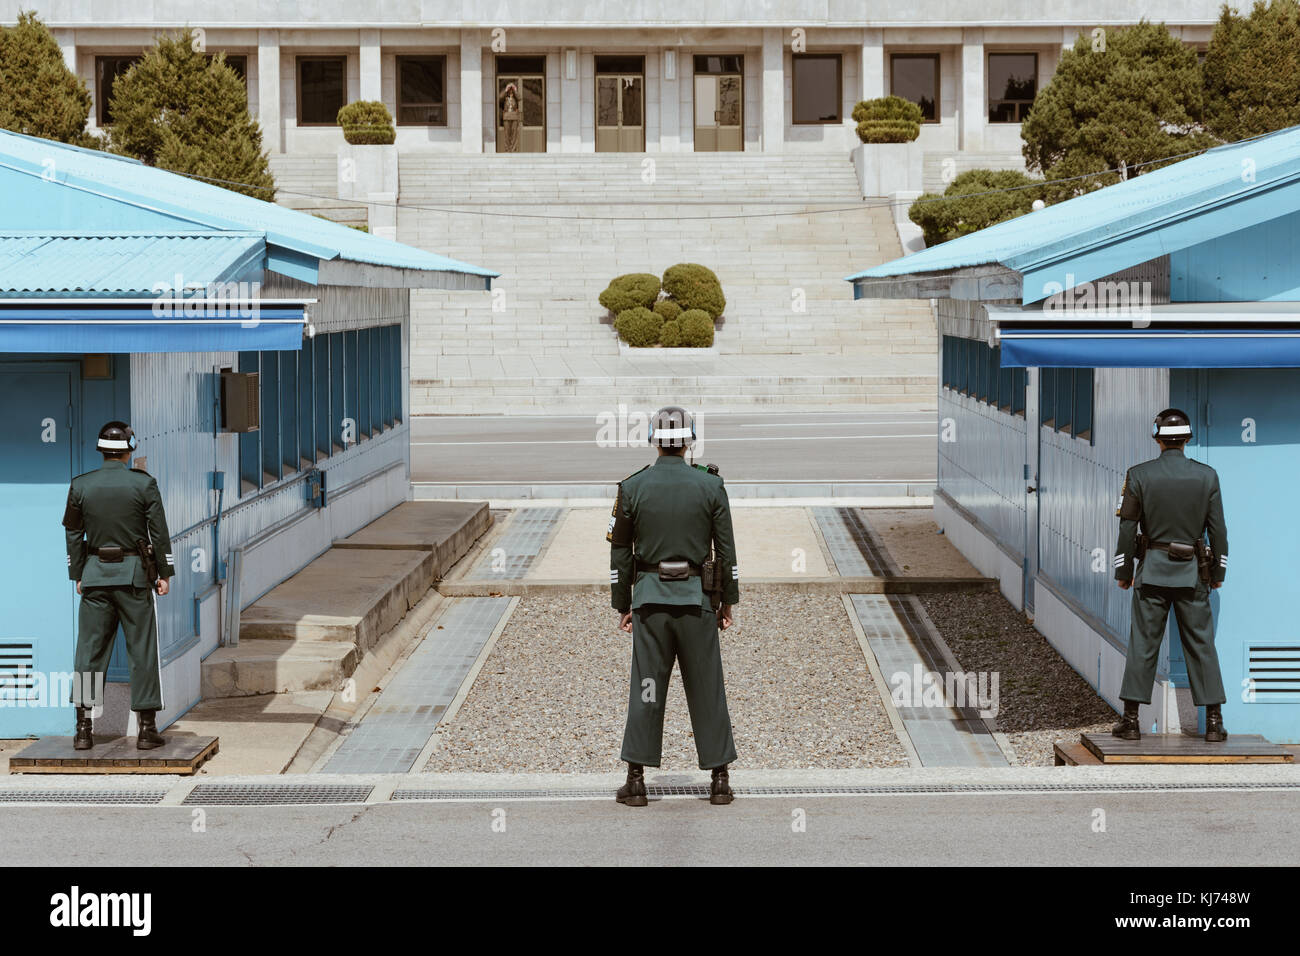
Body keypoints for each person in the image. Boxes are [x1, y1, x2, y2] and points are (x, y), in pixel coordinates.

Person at [608, 405, 739, 806]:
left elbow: (620, 553)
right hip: (697, 600)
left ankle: (636, 780)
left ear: (653, 439)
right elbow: (727, 550)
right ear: (689, 440)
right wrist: (727, 601)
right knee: (707, 688)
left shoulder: (632, 488)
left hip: (650, 601)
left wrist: (623, 603)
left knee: (647, 688)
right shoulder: (711, 486)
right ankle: (719, 780)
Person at [1112, 408, 1229, 743]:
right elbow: (1218, 530)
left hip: (1151, 573)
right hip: (1193, 573)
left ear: (1157, 437)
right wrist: (1218, 570)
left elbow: (1127, 528)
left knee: (1143, 645)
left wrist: (1124, 570)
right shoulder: (1207, 476)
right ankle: (1214, 723)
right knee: (1201, 645)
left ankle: (1131, 721)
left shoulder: (1139, 475)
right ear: (1188, 438)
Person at [63, 421, 175, 751]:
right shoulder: (144, 485)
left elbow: (72, 533)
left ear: (101, 450)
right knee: (141, 649)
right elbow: (159, 533)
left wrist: (79, 572)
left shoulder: (80, 485)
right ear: (129, 449)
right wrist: (164, 573)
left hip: (95, 576)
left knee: (89, 651)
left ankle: (83, 730)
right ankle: (146, 729)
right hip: (134, 578)